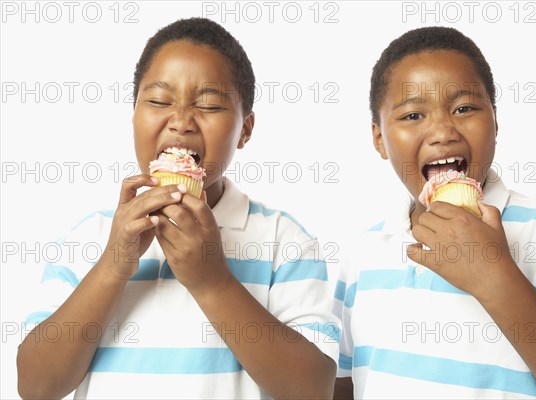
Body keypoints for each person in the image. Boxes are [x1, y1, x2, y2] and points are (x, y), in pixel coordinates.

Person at [17, 17, 338, 399]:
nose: (181, 122)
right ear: (134, 116)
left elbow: (312, 390)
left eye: (209, 105)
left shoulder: (284, 242)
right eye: (157, 101)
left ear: (245, 130)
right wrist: (112, 267)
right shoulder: (88, 237)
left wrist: (211, 281)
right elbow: (36, 387)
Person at [333, 26, 536, 399]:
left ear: (496, 121)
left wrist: (494, 277)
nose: (442, 131)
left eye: (464, 108)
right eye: (412, 116)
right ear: (379, 139)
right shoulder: (363, 253)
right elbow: (344, 384)